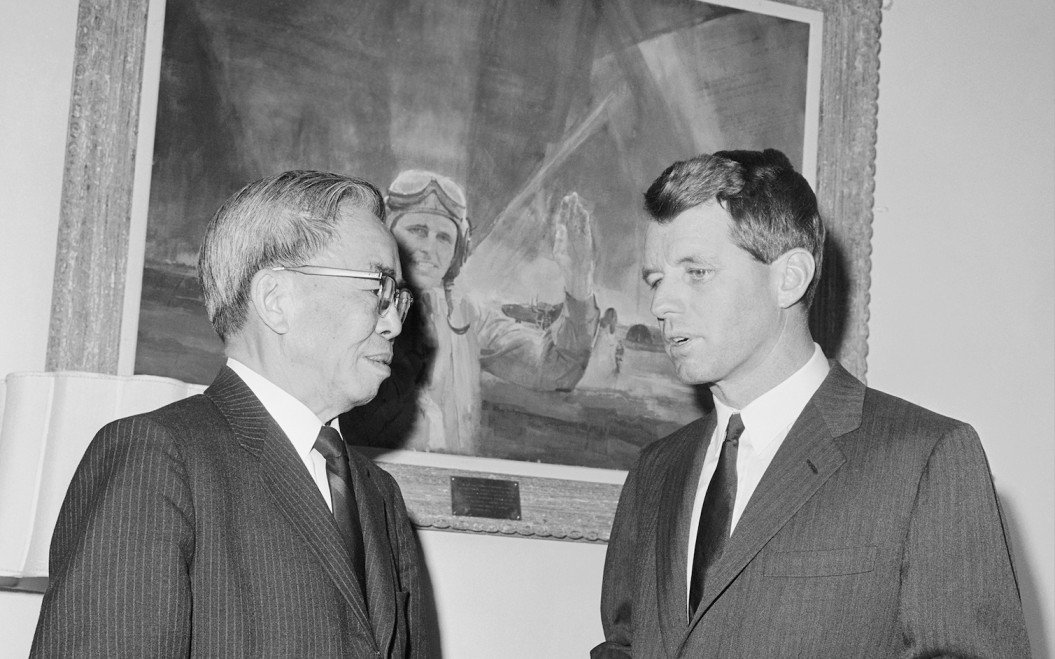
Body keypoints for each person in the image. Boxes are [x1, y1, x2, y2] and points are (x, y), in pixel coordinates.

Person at [593, 150, 1030, 657]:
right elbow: (623, 644)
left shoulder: (927, 458)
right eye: (655, 280)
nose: (661, 305)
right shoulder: (654, 470)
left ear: (790, 277)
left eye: (696, 272)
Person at [32, 171, 429, 657]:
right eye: (377, 288)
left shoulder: (379, 495)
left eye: (399, 297)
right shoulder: (157, 456)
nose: (393, 323)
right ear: (276, 300)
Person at [341, 169, 599, 453]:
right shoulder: (350, 309)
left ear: (458, 250)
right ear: (387, 235)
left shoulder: (469, 318)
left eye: (443, 238)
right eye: (417, 231)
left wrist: (579, 280)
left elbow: (557, 368)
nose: (430, 248)